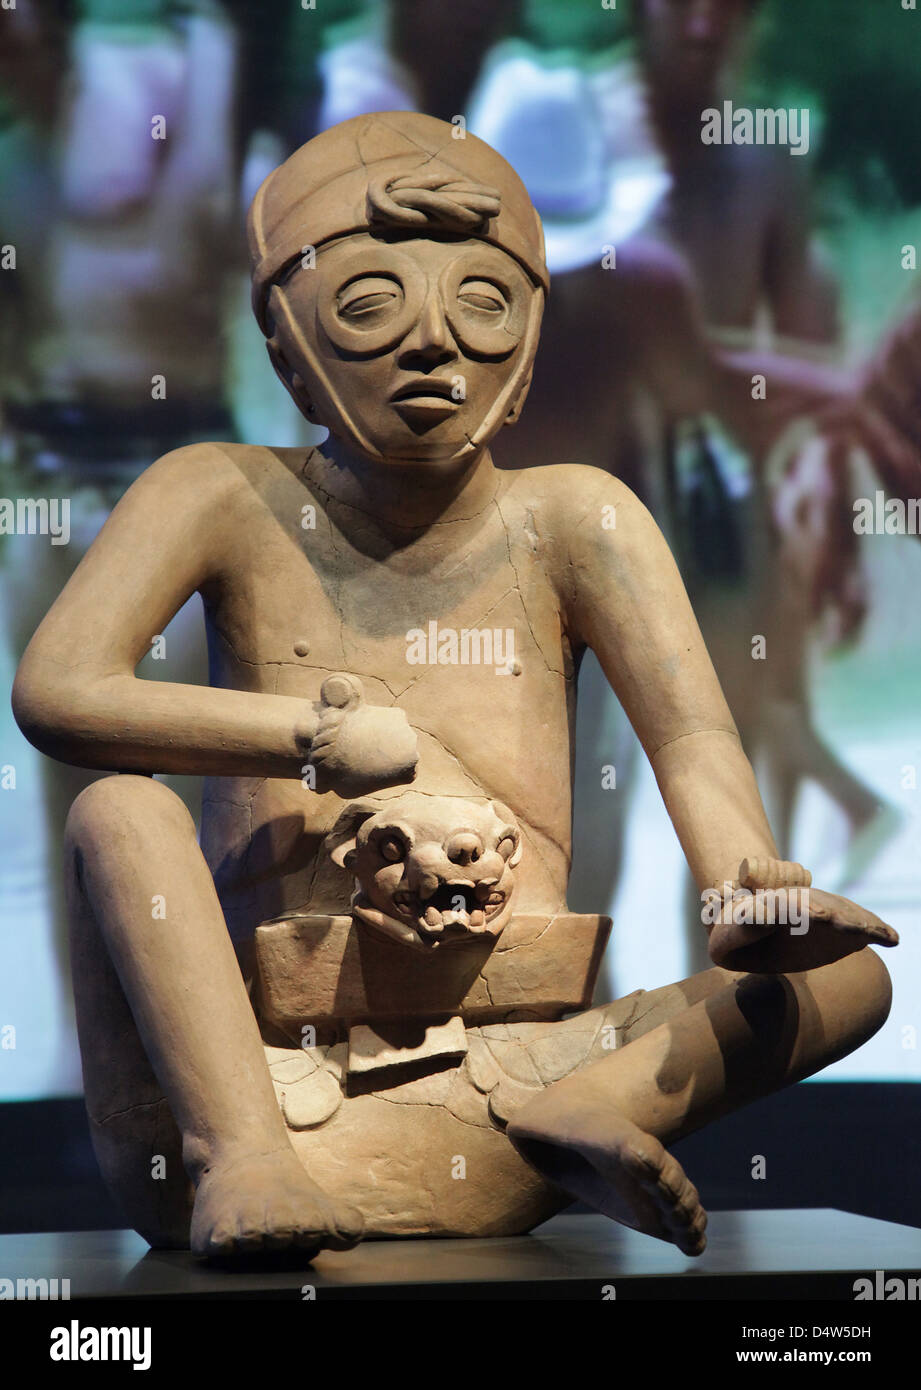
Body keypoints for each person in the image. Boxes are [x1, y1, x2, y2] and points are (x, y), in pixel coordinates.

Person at [13, 113, 895, 1259]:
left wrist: (741, 887)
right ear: (287, 349)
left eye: (480, 304)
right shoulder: (216, 492)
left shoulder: (579, 517)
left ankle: (604, 1107)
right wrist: (311, 738)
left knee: (849, 982)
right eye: (370, 305)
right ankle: (250, 1157)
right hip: (251, 1095)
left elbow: (689, 739)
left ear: (529, 352)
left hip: (513, 1101)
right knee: (116, 809)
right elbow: (58, 687)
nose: (432, 345)